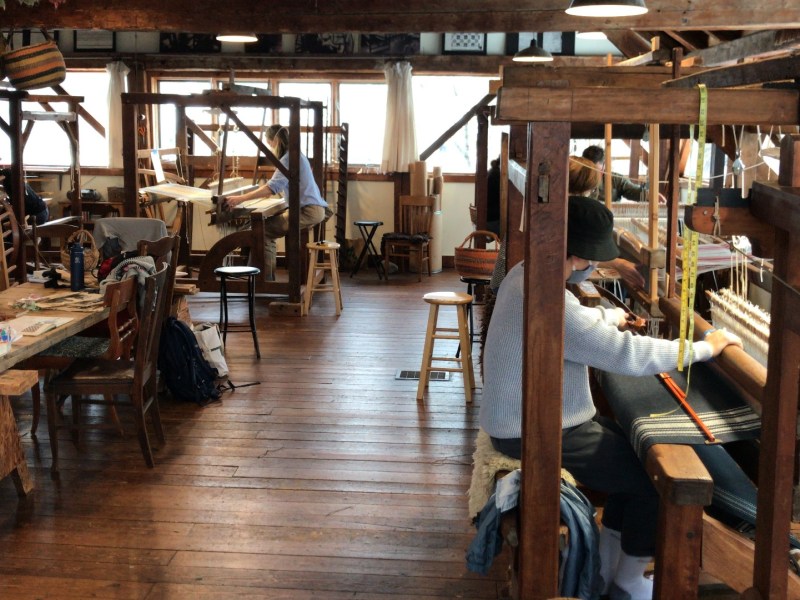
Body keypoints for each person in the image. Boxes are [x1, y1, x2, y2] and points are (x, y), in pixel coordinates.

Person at [479, 197, 743, 599]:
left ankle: (606, 566)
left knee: (634, 459)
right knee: (651, 482)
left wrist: (607, 317)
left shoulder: (528, 273)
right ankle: (629, 580)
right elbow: (627, 354)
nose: (593, 264)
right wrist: (705, 348)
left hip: (534, 416)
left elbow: (572, 327)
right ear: (578, 252)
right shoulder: (548, 295)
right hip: (531, 428)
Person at [223, 125, 330, 280]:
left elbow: (271, 188)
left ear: (276, 141)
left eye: (269, 144)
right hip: (312, 209)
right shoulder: (296, 155)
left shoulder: (288, 159)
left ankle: (263, 280)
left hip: (308, 211)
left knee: (261, 231)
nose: (270, 148)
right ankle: (260, 276)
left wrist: (239, 198)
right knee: (258, 227)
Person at [582, 145, 648, 203]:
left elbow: (632, 190)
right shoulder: (576, 179)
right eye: (588, 170)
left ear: (604, 165)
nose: (592, 174)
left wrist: (648, 195)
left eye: (596, 171)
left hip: (608, 216)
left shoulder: (614, 179)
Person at [485, 157, 501, 236]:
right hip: (492, 222)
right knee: (514, 229)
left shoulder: (493, 171)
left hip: (489, 218)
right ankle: (504, 248)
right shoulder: (496, 174)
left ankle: (503, 248)